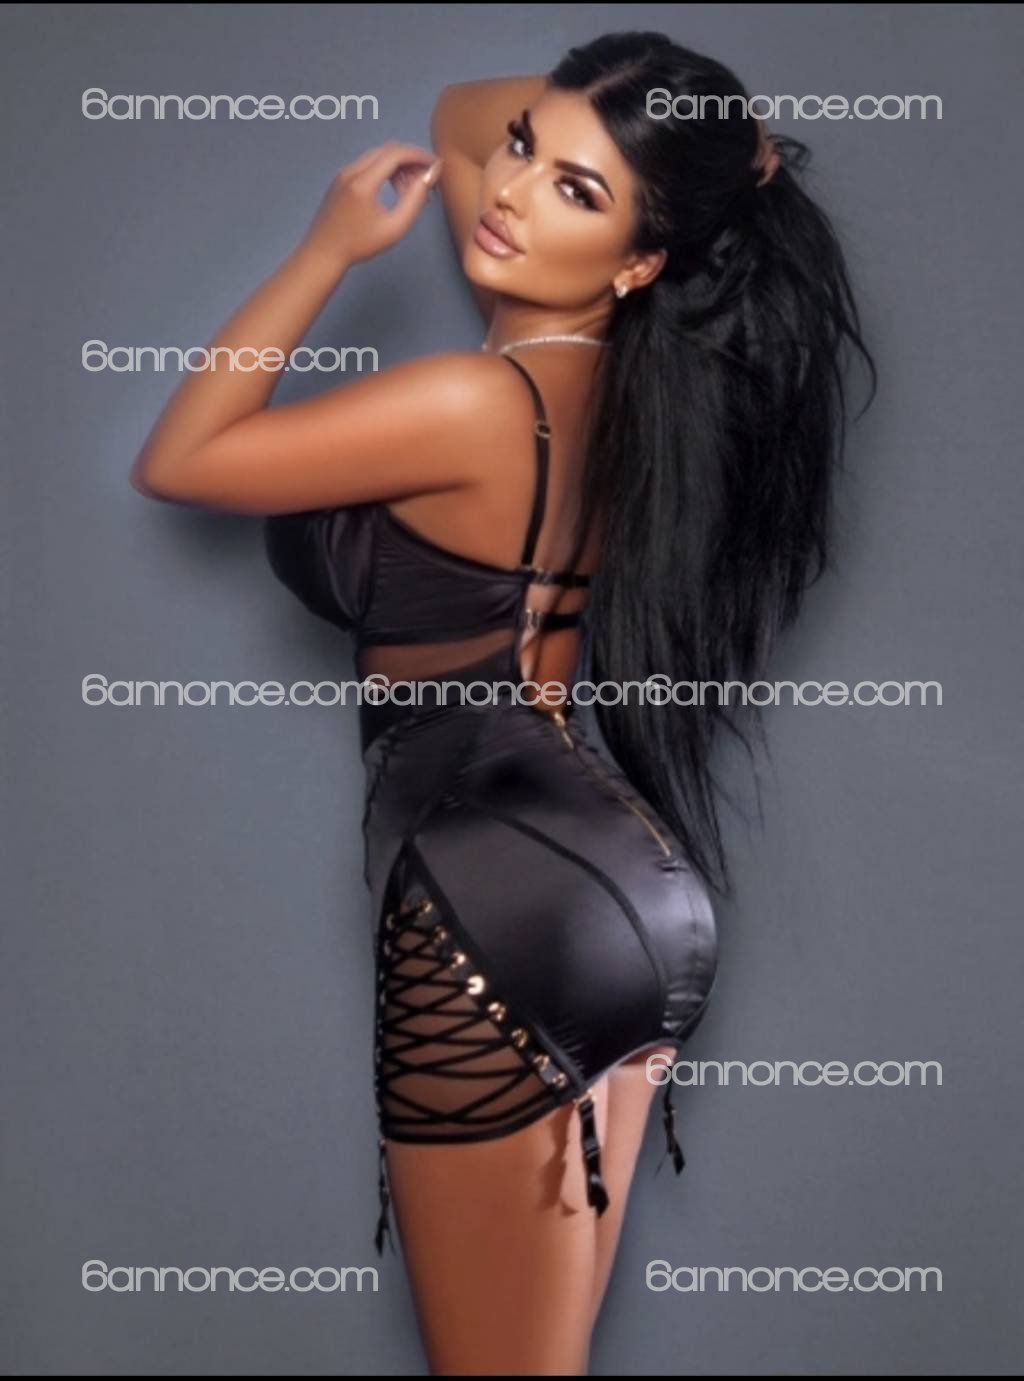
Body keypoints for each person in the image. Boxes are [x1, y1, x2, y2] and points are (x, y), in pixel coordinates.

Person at [130, 31, 875, 1376]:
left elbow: (182, 458)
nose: (513, 189)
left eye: (578, 193)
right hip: (613, 893)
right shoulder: (621, 395)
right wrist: (698, 142)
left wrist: (327, 252)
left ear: (641, 262)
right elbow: (465, 112)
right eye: (528, 152)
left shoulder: (473, 401)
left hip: (496, 907)